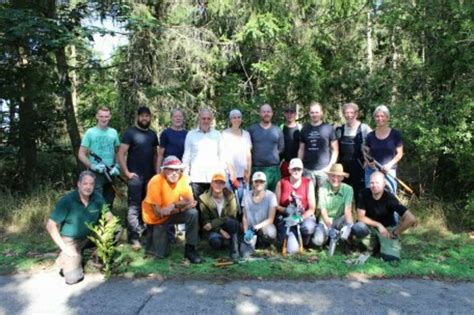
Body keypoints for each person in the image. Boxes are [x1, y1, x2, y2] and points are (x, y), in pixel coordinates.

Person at [46, 171, 112, 285]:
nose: (88, 187)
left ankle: (94, 260)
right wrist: (65, 248)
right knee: (72, 279)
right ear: (78, 184)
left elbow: (110, 219)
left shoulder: (97, 197)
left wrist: (102, 245)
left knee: (117, 229)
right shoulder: (67, 201)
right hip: (71, 241)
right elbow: (50, 225)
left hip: (91, 236)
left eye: (91, 184)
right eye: (85, 183)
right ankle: (65, 258)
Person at [141, 156, 202, 263]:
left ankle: (190, 249)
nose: (174, 173)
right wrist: (180, 205)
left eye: (177, 169)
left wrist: (174, 205)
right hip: (156, 219)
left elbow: (191, 203)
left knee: (193, 213)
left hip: (173, 213)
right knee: (160, 254)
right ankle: (152, 239)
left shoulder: (182, 178)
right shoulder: (155, 181)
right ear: (164, 170)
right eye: (171, 169)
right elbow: (159, 212)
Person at [116, 106, 159, 250]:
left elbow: (155, 155)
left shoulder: (153, 135)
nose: (145, 118)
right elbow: (121, 154)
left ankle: (148, 234)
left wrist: (156, 173)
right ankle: (133, 237)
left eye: (147, 116)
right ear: (138, 117)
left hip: (150, 176)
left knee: (148, 205)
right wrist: (127, 172)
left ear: (150, 117)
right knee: (134, 207)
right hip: (135, 176)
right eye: (142, 116)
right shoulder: (130, 133)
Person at [352, 172, 416, 261]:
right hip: (370, 227)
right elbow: (360, 217)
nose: (374, 185)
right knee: (357, 227)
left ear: (384, 184)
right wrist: (379, 225)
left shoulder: (390, 199)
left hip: (386, 230)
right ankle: (372, 246)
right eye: (372, 183)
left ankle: (381, 245)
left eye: (377, 182)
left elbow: (411, 219)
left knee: (391, 259)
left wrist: (395, 233)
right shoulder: (363, 193)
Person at [78, 106, 121, 210]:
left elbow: (118, 151)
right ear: (97, 116)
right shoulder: (90, 132)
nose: (104, 119)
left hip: (110, 171)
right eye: (101, 116)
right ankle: (95, 225)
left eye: (106, 116)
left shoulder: (113, 132)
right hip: (96, 173)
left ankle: (108, 225)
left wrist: (117, 166)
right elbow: (81, 154)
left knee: (110, 199)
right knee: (96, 200)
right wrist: (92, 166)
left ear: (110, 117)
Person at [275, 158, 317, 253]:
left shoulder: (308, 183)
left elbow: (312, 208)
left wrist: (300, 218)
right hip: (287, 218)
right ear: (289, 170)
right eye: (294, 169)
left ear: (302, 170)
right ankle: (290, 239)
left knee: (309, 227)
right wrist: (286, 210)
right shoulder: (281, 183)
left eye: (299, 169)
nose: (296, 171)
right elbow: (276, 205)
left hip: (303, 216)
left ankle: (306, 242)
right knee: (292, 250)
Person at [182, 108, 223, 201]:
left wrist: (221, 176)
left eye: (208, 119)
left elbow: (221, 157)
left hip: (213, 178)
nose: (206, 121)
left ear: (211, 120)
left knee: (212, 208)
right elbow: (186, 157)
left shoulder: (217, 135)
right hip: (196, 178)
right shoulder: (190, 134)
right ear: (199, 119)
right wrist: (185, 176)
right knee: (198, 207)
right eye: (203, 118)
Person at [199, 172, 240, 260]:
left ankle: (234, 251)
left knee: (232, 222)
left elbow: (232, 216)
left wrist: (213, 223)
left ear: (224, 185)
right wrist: (220, 231)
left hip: (228, 226)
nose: (218, 185)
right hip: (214, 230)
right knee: (215, 242)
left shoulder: (230, 196)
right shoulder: (203, 199)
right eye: (216, 182)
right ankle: (223, 244)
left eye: (221, 183)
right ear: (211, 184)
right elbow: (205, 222)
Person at [298, 101, 338, 189]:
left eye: (316, 112)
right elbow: (301, 149)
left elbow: (335, 150)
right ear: (309, 113)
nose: (314, 114)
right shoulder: (304, 129)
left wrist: (330, 167)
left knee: (323, 199)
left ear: (321, 113)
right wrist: (300, 165)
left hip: (324, 170)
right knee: (309, 197)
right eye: (312, 112)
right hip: (307, 169)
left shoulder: (329, 129)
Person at [364, 105, 403, 194]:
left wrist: (389, 165)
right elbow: (365, 152)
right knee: (371, 198)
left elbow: (400, 153)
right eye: (377, 116)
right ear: (374, 118)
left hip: (389, 171)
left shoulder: (395, 134)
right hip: (372, 171)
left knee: (389, 199)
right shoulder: (370, 136)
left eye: (382, 116)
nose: (380, 118)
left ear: (387, 118)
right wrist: (368, 161)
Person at [336, 102, 371, 200]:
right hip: (343, 167)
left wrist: (367, 161)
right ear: (343, 114)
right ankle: (344, 215)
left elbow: (373, 145)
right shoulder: (339, 129)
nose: (349, 115)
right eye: (346, 113)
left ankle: (360, 214)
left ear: (356, 113)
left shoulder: (364, 128)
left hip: (359, 165)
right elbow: (334, 147)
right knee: (342, 194)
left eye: (352, 112)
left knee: (359, 194)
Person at [313, 163, 354, 248]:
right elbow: (323, 211)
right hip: (326, 220)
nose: (335, 179)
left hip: (340, 219)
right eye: (333, 176)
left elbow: (347, 210)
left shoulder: (348, 189)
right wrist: (330, 227)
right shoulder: (322, 189)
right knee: (317, 241)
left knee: (351, 226)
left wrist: (349, 226)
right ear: (328, 176)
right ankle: (327, 238)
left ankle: (344, 238)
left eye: (338, 176)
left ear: (342, 178)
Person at [247, 104, 285, 192]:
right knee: (257, 197)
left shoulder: (277, 130)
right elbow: (248, 149)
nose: (266, 114)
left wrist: (270, 157)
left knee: (275, 198)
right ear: (260, 113)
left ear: (272, 113)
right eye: (264, 112)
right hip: (257, 168)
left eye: (268, 112)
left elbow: (281, 148)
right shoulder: (252, 130)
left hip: (273, 170)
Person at [240, 172, 277, 257]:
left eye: (261, 181)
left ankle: (266, 244)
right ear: (252, 182)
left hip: (264, 226)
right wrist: (246, 232)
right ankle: (253, 242)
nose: (258, 183)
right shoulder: (246, 196)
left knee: (270, 233)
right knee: (244, 254)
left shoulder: (271, 196)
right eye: (256, 181)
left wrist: (256, 227)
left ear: (265, 183)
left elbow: (271, 219)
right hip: (250, 229)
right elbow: (244, 217)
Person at [220, 109, 252, 202]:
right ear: (230, 120)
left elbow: (248, 154)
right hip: (229, 174)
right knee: (230, 201)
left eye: (239, 117)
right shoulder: (224, 134)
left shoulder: (246, 134)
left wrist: (249, 172)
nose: (236, 119)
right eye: (234, 117)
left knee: (243, 201)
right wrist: (231, 172)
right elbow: (224, 154)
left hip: (243, 174)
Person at [280, 105, 301, 178]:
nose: (289, 114)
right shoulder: (281, 128)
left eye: (292, 112)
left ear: (295, 114)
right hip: (285, 163)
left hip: (297, 164)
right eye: (287, 112)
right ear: (284, 114)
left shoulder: (300, 128)